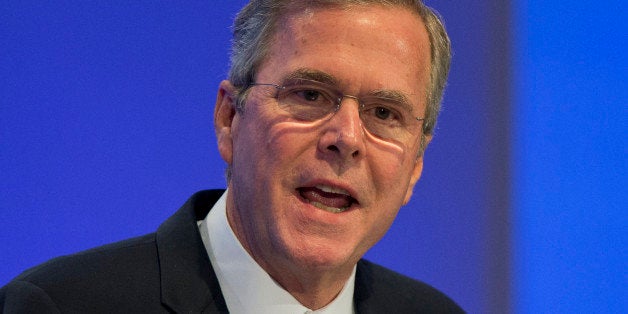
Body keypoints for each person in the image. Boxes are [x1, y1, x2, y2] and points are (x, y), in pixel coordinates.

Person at [1, 0, 463, 313]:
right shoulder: (59, 306)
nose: (345, 137)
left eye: (384, 113)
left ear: (416, 165)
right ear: (229, 118)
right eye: (309, 94)